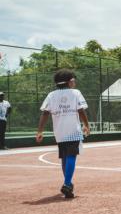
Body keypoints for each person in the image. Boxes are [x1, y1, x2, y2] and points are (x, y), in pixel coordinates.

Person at [35, 69, 90, 199]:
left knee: (65, 157)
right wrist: (86, 125)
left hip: (59, 132)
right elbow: (81, 110)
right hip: (73, 130)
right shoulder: (75, 93)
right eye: (73, 79)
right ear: (70, 81)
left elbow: (45, 113)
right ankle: (66, 183)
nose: (74, 82)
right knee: (71, 156)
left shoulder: (51, 95)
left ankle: (68, 184)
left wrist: (40, 131)